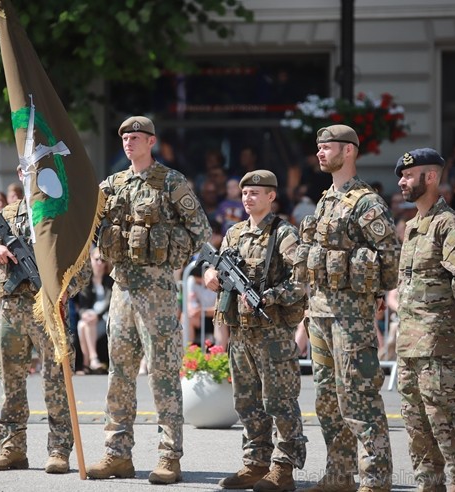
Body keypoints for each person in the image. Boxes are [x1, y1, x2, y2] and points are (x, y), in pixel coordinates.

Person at [87, 116, 211, 485]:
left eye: (136, 136)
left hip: (156, 290)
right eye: (124, 136)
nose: (129, 142)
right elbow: (89, 225)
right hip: (122, 289)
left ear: (151, 141)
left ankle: (169, 456)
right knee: (119, 376)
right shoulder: (112, 185)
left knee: (162, 375)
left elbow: (199, 229)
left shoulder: (171, 182)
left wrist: (171, 258)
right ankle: (116, 453)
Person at [299, 125, 400, 492]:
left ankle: (375, 477)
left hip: (351, 313)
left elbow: (389, 255)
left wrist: (373, 294)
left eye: (329, 147)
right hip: (321, 312)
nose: (321, 153)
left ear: (350, 152)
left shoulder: (366, 201)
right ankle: (339, 473)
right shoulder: (325, 200)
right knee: (327, 398)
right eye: (319, 148)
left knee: (358, 395)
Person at [0, 167, 91, 474]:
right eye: (26, 170)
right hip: (12, 310)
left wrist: (67, 288)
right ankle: (11, 447)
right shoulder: (8, 214)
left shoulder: (61, 214)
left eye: (37, 170)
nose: (31, 175)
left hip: (48, 310)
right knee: (10, 384)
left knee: (56, 383)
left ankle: (58, 450)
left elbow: (83, 267)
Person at [204, 170, 307, 491]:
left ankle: (283, 468)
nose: (248, 198)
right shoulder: (234, 233)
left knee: (280, 401)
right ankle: (256, 463)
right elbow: (217, 265)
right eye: (245, 193)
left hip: (272, 332)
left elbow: (302, 280)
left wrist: (269, 296)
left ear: (271, 196)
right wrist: (211, 274)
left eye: (255, 193)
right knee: (247, 402)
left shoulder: (284, 233)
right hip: (241, 332)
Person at [394, 148, 455, 491]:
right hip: (410, 348)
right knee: (418, 432)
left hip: (440, 349)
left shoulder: (449, 224)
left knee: (450, 428)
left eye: (408, 175)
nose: (401, 180)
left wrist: (448, 311)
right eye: (401, 175)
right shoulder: (413, 226)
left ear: (430, 177)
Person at [76, 246, 112, 374]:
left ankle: (87, 363)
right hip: (90, 318)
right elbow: (82, 304)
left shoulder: (110, 281)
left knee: (84, 325)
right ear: (90, 259)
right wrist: (85, 314)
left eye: (102, 260)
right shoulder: (86, 281)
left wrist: (97, 315)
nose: (99, 263)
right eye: (96, 259)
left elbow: (110, 304)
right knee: (82, 324)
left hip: (105, 317)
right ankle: (92, 360)